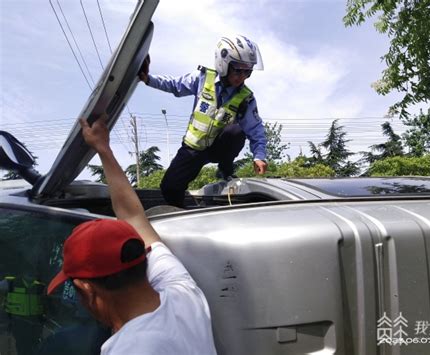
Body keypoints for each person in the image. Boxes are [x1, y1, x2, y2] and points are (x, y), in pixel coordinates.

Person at [47, 115, 217, 355]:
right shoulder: (183, 295)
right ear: (141, 262)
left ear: (87, 291)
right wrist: (103, 149)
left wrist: (103, 148)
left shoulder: (131, 349)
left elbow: (134, 218)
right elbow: (133, 218)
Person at [139, 34, 268, 207]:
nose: (242, 76)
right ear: (224, 64)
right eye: (238, 70)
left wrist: (259, 156)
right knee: (169, 188)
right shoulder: (202, 78)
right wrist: (148, 79)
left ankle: (225, 169)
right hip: (194, 148)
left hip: (219, 147)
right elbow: (174, 85)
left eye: (248, 71)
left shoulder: (246, 98)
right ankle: (181, 212)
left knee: (236, 132)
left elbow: (256, 130)